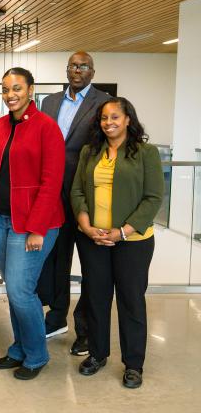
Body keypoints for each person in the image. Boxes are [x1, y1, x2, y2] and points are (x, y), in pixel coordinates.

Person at [71, 97, 163, 389]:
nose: (108, 123)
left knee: (131, 301)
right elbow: (77, 191)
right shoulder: (90, 151)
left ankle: (133, 364)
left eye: (114, 117)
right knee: (95, 297)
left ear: (127, 120)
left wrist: (123, 231)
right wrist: (86, 226)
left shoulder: (145, 152)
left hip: (133, 241)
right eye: (103, 118)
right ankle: (97, 355)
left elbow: (153, 198)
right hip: (93, 238)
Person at [0, 67, 65, 380]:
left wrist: (37, 227)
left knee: (20, 291)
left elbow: (51, 180)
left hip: (30, 224)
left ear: (30, 89)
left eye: (17, 88)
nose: (11, 95)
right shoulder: (0, 126)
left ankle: (37, 353)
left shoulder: (47, 127)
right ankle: (19, 348)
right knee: (15, 289)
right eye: (5, 89)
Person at [37, 51, 109, 355]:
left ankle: (86, 331)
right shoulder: (49, 102)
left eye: (82, 66)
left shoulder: (103, 102)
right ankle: (56, 317)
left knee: (92, 266)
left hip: (87, 196)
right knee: (56, 261)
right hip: (53, 194)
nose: (76, 70)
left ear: (92, 71)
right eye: (71, 66)